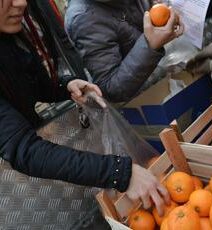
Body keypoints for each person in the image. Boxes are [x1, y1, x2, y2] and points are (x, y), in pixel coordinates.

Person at [0, 0, 169, 216]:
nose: (21, 3)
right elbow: (24, 149)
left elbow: (31, 84)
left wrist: (66, 85)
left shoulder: (9, 38)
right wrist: (121, 173)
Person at [65, 0, 184, 102]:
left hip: (168, 74)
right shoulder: (83, 19)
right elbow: (110, 87)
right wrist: (150, 45)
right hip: (144, 100)